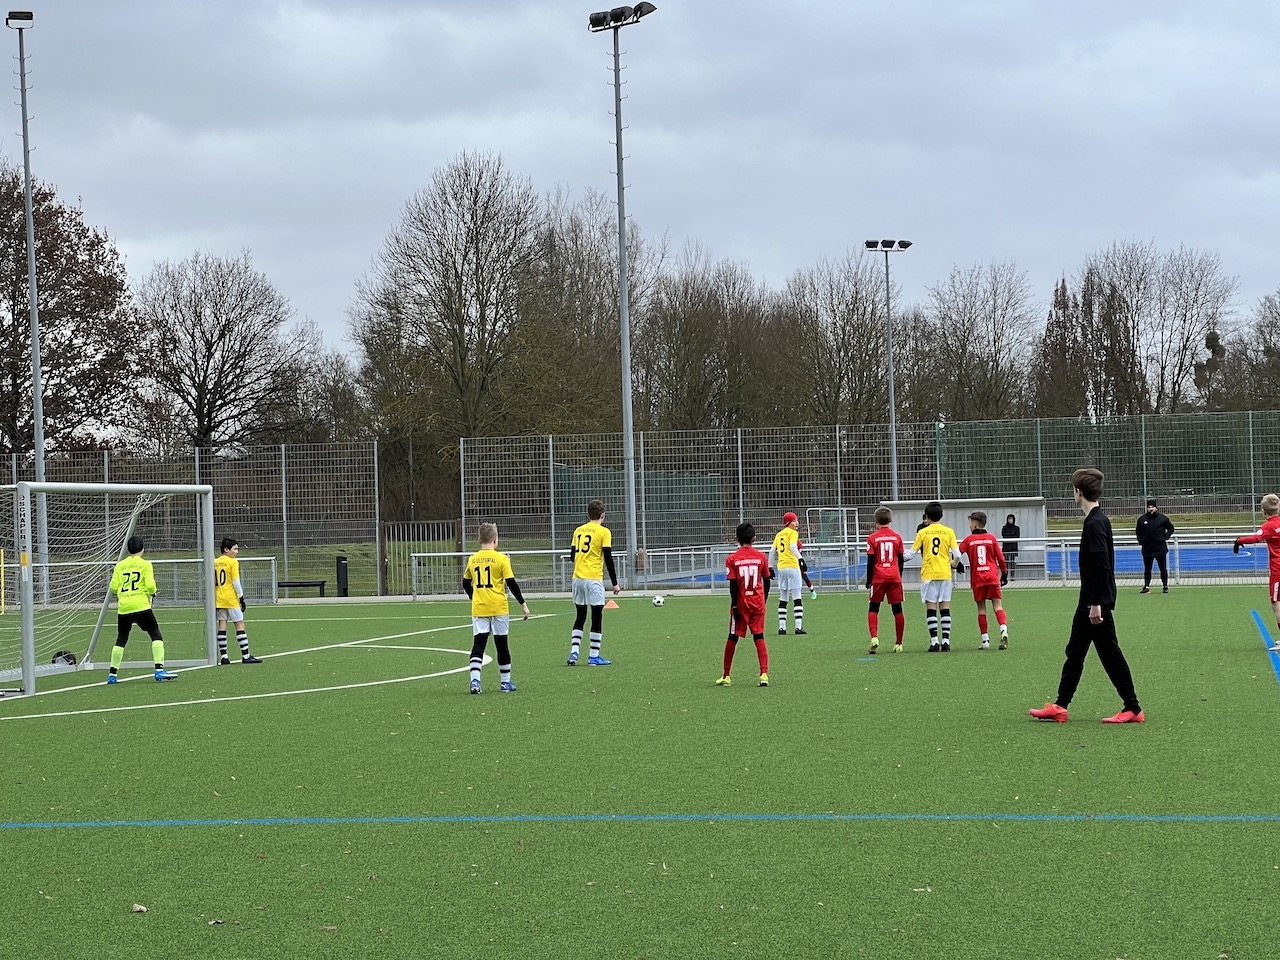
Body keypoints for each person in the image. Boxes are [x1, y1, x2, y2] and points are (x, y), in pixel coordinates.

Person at [1030, 468, 1144, 724]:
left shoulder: (1094, 523)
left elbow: (1102, 564)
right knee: (1076, 651)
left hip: (1094, 603)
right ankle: (1060, 705)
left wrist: (1095, 603)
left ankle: (1133, 708)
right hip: (1092, 600)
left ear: (1079, 492)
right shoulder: (1098, 519)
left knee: (1109, 654)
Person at [463, 522, 529, 694]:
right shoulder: (501, 559)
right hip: (499, 607)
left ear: (479, 539)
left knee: (479, 643)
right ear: (495, 539)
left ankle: (475, 682)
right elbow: (511, 583)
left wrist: (474, 597)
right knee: (501, 644)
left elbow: (465, 583)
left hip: (480, 608)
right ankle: (505, 682)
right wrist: (523, 604)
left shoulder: (473, 559)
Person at [106, 535, 177, 683]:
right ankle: (159, 670)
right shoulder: (145, 565)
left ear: (128, 550)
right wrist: (153, 592)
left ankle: (112, 674)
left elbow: (113, 587)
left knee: (121, 639)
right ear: (142, 549)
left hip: (124, 608)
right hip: (141, 606)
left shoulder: (120, 565)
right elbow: (150, 585)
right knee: (155, 635)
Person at [717, 522, 772, 687]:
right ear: (754, 538)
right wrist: (764, 599)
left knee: (732, 637)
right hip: (757, 603)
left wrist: (734, 606)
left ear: (737, 538)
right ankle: (764, 674)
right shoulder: (761, 556)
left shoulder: (732, 559)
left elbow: (733, 586)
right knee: (759, 636)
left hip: (741, 605)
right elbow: (767, 580)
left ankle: (726, 675)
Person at [566, 499, 620, 666]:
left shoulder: (578, 530)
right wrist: (615, 583)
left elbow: (572, 556)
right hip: (593, 578)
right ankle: (593, 656)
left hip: (577, 579)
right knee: (596, 616)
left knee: (580, 615)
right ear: (603, 515)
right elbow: (608, 558)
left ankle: (574, 653)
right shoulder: (604, 532)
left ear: (588, 514)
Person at [911, 501, 963, 652]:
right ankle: (946, 641)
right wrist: (953, 564)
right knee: (945, 608)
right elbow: (958, 554)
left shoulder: (922, 532)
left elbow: (910, 554)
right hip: (945, 574)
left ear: (926, 517)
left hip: (929, 574)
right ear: (941, 515)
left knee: (931, 608)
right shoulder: (949, 531)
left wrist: (898, 557)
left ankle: (934, 642)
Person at [959, 511, 1010, 650]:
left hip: (978, 579)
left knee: (981, 608)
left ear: (975, 524)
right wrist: (1004, 573)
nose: (969, 525)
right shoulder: (991, 538)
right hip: (992, 577)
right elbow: (1001, 558)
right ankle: (1003, 630)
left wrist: (957, 564)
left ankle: (985, 641)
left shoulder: (969, 540)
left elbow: (957, 553)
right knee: (998, 606)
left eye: (970, 523)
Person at [1234, 494, 1280, 650]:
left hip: (1278, 569)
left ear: (1263, 510)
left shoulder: (1269, 526)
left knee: (1276, 603)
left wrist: (1239, 540)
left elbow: (1255, 538)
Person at [865, 506, 913, 654]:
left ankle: (874, 637)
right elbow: (900, 560)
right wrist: (899, 576)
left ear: (876, 520)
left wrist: (869, 580)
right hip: (894, 577)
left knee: (874, 608)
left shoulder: (872, 538)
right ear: (890, 520)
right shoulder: (897, 537)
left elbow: (870, 561)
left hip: (878, 578)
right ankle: (899, 643)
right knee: (897, 610)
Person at [213, 537, 263, 665]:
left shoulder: (215, 562)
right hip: (231, 599)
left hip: (218, 598)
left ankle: (224, 657)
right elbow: (235, 581)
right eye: (235, 549)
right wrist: (241, 597)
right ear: (226, 549)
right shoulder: (233, 562)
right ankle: (246, 656)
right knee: (239, 625)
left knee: (222, 625)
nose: (237, 552)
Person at [769, 511, 806, 635]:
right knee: (797, 597)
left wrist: (770, 567)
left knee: (783, 598)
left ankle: (782, 628)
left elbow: (772, 551)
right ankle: (798, 627)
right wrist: (801, 559)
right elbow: (793, 547)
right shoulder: (793, 533)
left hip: (781, 568)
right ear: (789, 522)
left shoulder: (779, 534)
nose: (797, 523)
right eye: (794, 521)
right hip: (792, 566)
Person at [1136, 499, 1175, 594]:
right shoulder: (1142, 519)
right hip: (1147, 548)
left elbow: (1171, 528)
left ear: (1156, 508)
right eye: (1149, 507)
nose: (1151, 509)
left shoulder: (1163, 519)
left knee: (1163, 568)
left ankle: (1165, 586)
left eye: (1152, 507)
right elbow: (1138, 531)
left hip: (1160, 548)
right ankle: (1146, 586)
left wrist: (1165, 537)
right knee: (1147, 569)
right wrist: (1141, 541)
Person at [1001, 514, 1021, 581]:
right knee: (1006, 562)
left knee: (1012, 561)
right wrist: (1012, 534)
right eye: (1009, 519)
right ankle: (1005, 576)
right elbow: (1004, 535)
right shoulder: (1004, 528)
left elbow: (1017, 536)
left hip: (1013, 547)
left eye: (1011, 519)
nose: (1010, 520)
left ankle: (1012, 576)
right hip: (1006, 547)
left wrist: (1009, 535)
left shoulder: (1016, 528)